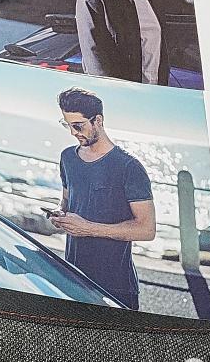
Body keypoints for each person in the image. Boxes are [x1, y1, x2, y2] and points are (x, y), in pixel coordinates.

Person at [51, 87, 156, 310]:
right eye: (67, 125)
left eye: (78, 126)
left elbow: (146, 229)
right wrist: (60, 215)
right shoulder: (67, 157)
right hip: (73, 278)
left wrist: (88, 228)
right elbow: (67, 202)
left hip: (115, 288)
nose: (73, 133)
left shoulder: (129, 167)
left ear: (98, 121)